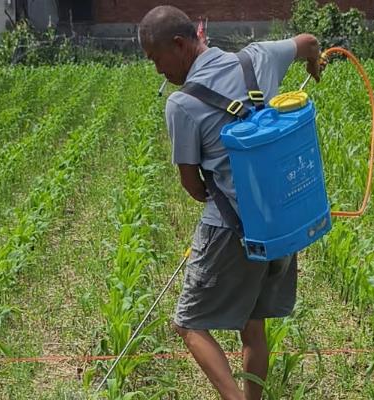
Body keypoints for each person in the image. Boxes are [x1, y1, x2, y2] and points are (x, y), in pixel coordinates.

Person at [138, 5, 322, 400]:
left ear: (180, 44)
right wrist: (316, 64)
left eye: (156, 59)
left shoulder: (182, 105)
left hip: (230, 231)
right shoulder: (255, 59)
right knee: (253, 327)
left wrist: (216, 189)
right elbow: (308, 43)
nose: (157, 70)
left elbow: (192, 185)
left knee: (188, 325)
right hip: (280, 228)